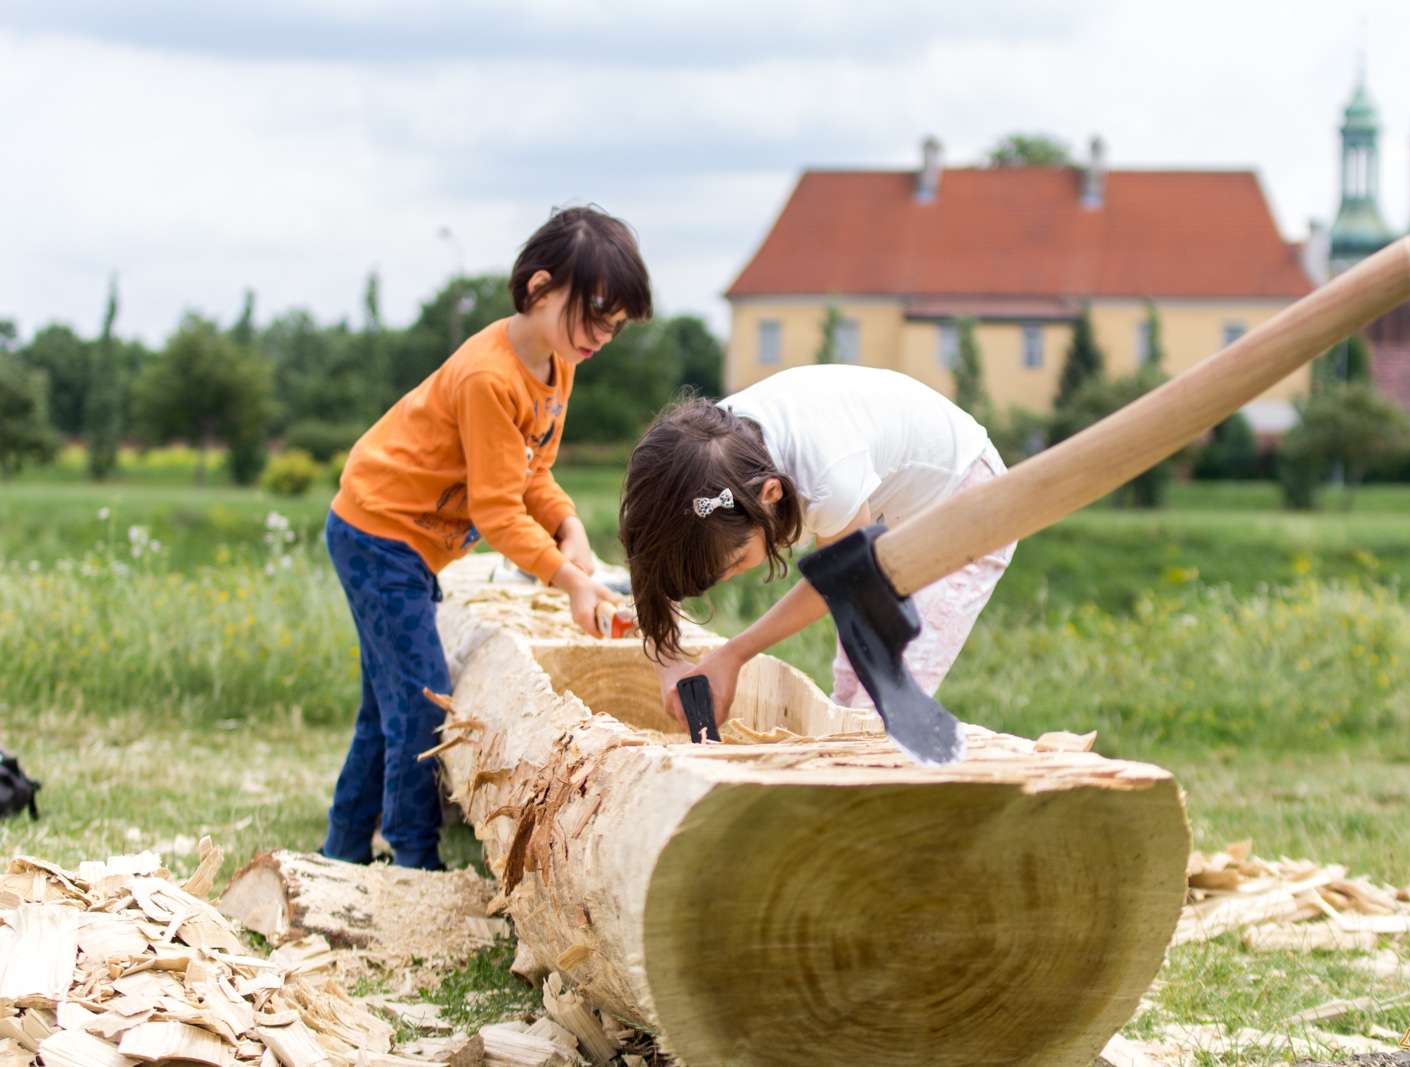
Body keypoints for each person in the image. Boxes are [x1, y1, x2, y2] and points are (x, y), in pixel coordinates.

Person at [322, 206, 651, 869]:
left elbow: (534, 471)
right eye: (592, 314)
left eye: (613, 325)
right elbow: (497, 513)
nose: (601, 335)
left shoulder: (558, 364)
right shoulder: (489, 376)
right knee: (423, 701)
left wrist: (570, 528)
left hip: (407, 542)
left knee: (387, 702)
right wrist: (568, 578)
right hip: (379, 534)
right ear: (537, 288)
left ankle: (342, 851)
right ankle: (415, 863)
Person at [619, 363, 1013, 726]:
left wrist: (733, 654)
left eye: (735, 561)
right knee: (846, 700)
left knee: (880, 710)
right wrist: (666, 662)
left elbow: (843, 580)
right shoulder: (697, 458)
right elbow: (651, 556)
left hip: (965, 509)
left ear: (770, 494)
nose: (726, 577)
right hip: (885, 520)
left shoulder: (827, 475)